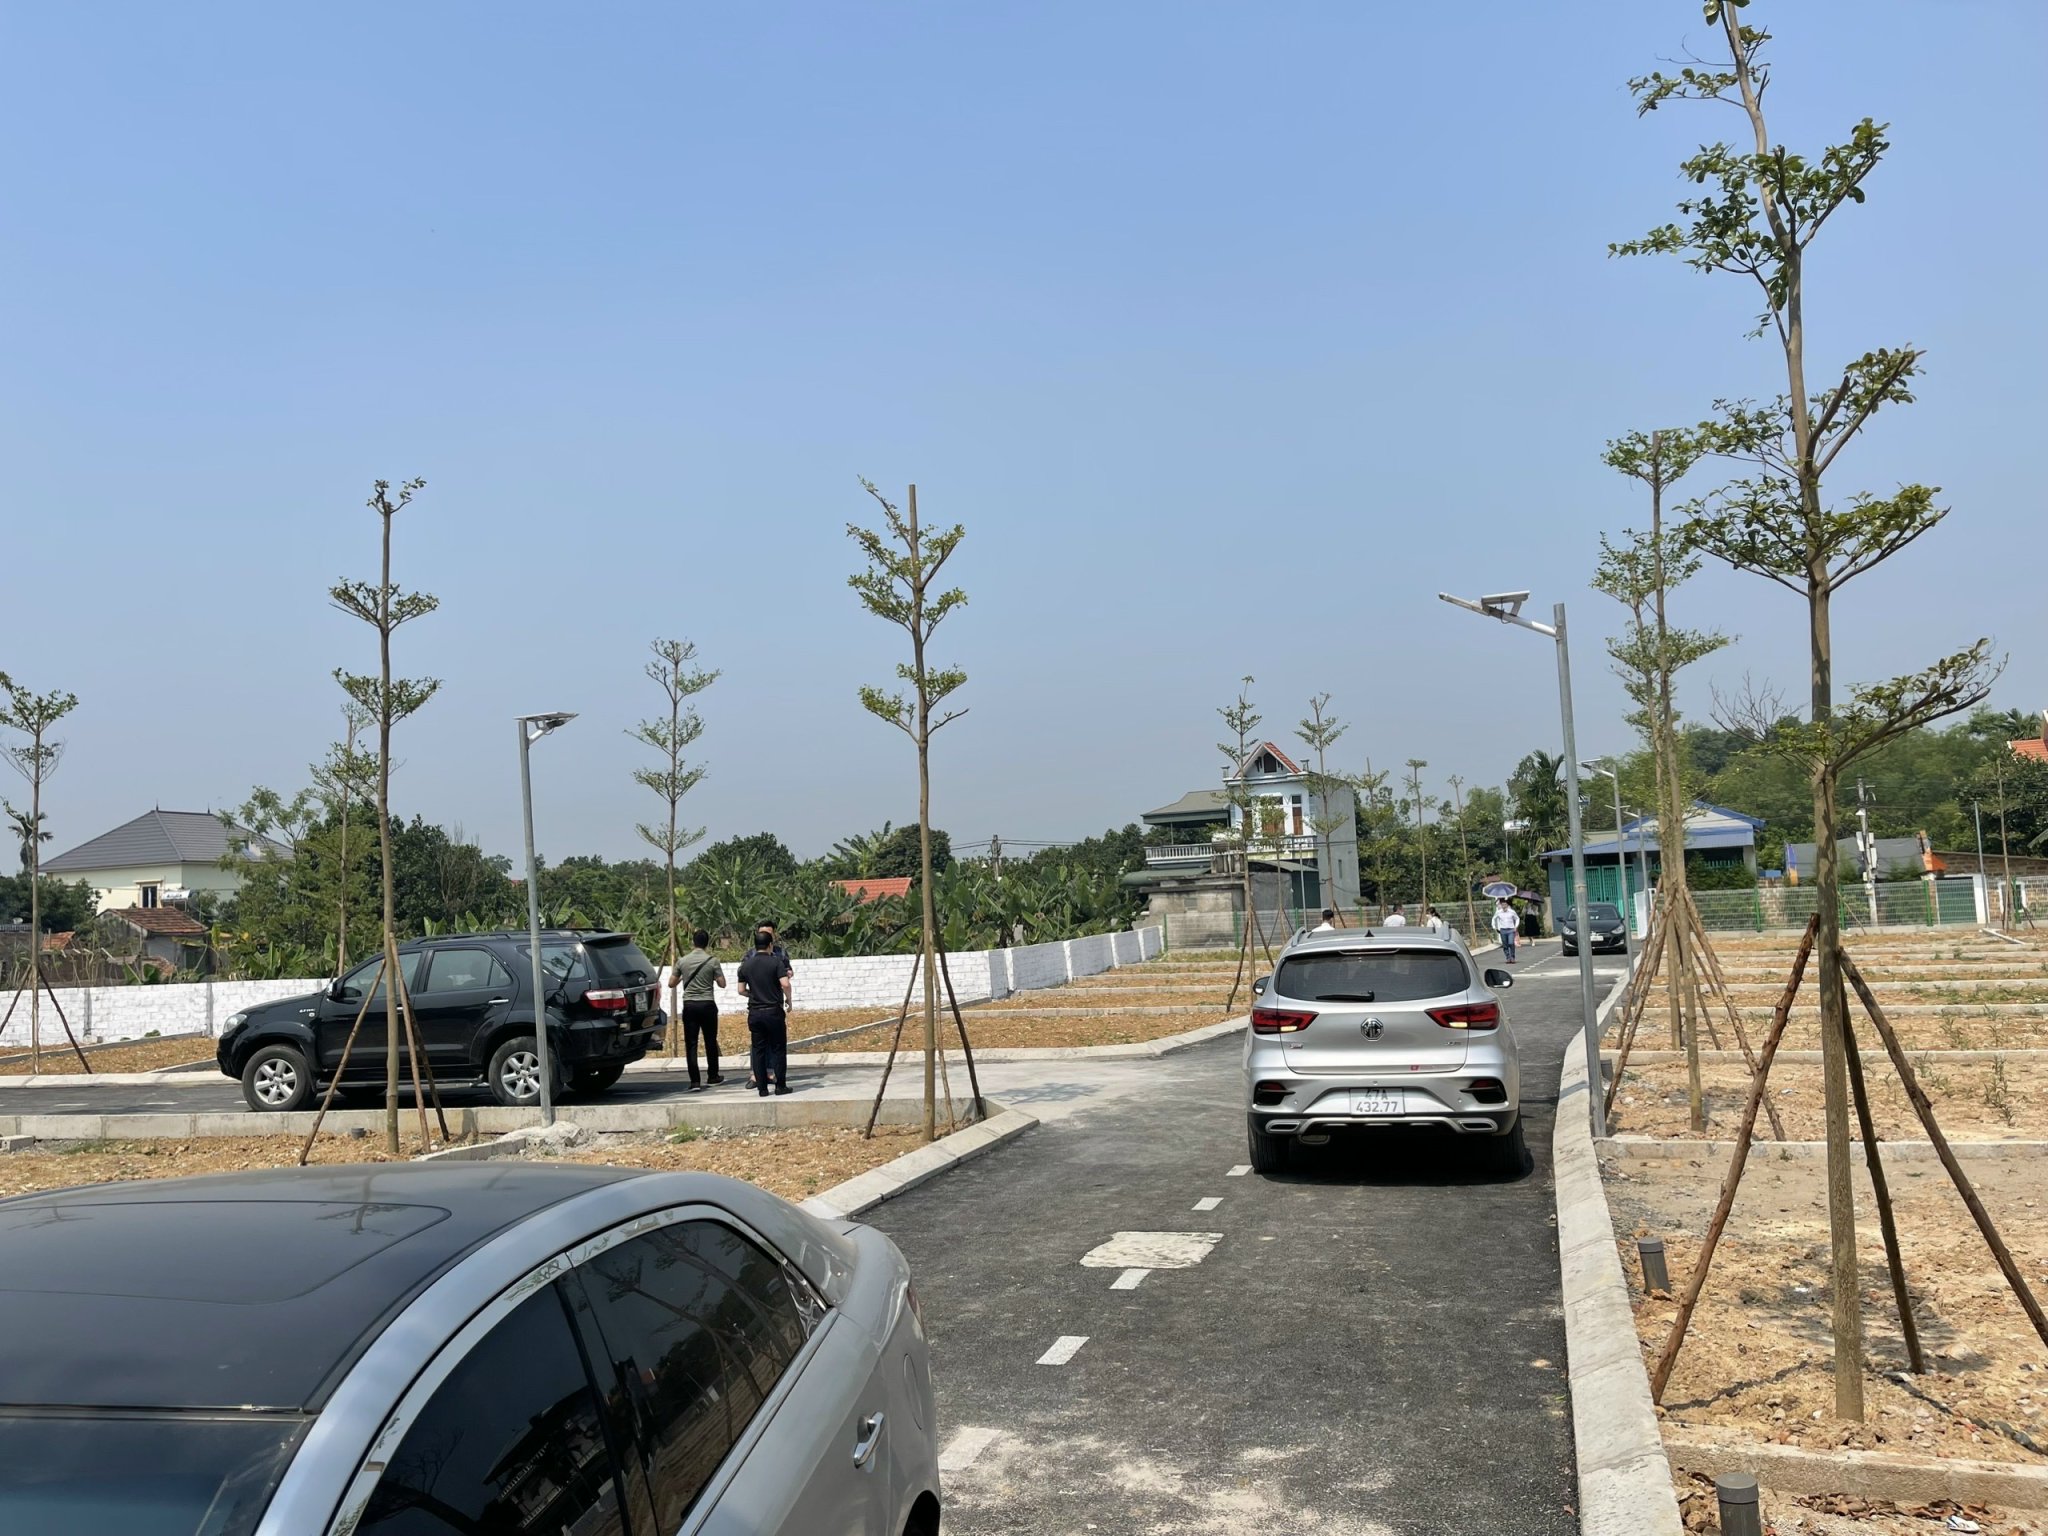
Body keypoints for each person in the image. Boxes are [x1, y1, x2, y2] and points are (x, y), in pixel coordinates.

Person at [736, 927, 793, 1097]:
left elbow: (740, 990)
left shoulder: (746, 965)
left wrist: (753, 994)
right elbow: (785, 984)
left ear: (755, 946)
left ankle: (762, 1088)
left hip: (755, 1012)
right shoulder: (776, 962)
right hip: (773, 1011)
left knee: (758, 1049)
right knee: (778, 1048)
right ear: (770, 945)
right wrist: (788, 1000)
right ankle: (780, 1086)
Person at [672, 928, 725, 1091]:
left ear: (693, 942)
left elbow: (671, 983)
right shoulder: (713, 961)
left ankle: (694, 1081)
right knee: (710, 1040)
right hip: (707, 1004)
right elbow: (722, 983)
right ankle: (713, 1076)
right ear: (707, 943)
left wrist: (683, 977)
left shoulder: (682, 961)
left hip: (690, 1005)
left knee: (691, 1043)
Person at [1492, 896, 1519, 962]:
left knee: (1511, 943)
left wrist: (1516, 926)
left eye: (1505, 904)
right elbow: (1493, 919)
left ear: (1507, 905)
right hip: (1503, 930)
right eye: (1502, 904)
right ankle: (1508, 957)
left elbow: (1517, 918)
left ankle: (1512, 957)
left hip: (1511, 929)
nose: (1504, 906)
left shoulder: (1512, 912)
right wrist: (1494, 927)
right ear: (1501, 905)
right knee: (1505, 945)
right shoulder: (1498, 912)